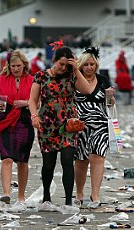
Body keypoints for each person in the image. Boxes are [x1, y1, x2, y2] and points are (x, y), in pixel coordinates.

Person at [28, 43, 94, 209]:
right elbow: (32, 100)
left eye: (67, 65)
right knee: (48, 164)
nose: (63, 68)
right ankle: (47, 197)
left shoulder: (72, 76)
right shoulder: (41, 76)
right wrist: (34, 116)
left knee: (67, 160)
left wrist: (76, 69)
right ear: (54, 60)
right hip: (47, 124)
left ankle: (68, 201)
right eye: (61, 64)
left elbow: (86, 90)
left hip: (69, 124)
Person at [0, 50, 35, 209]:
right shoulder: (1, 79)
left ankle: (21, 196)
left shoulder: (31, 80)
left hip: (24, 121)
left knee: (22, 160)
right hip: (5, 120)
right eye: (13, 66)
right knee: (6, 158)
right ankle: (6, 193)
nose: (16, 69)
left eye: (18, 66)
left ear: (24, 65)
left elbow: (37, 103)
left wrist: (25, 103)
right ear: (8, 66)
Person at [73, 47, 115, 208]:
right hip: (79, 125)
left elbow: (110, 105)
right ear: (81, 66)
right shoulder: (75, 79)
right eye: (87, 64)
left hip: (100, 125)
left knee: (98, 158)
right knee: (81, 160)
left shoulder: (103, 79)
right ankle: (79, 193)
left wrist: (110, 97)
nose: (90, 67)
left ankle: (95, 195)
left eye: (92, 64)